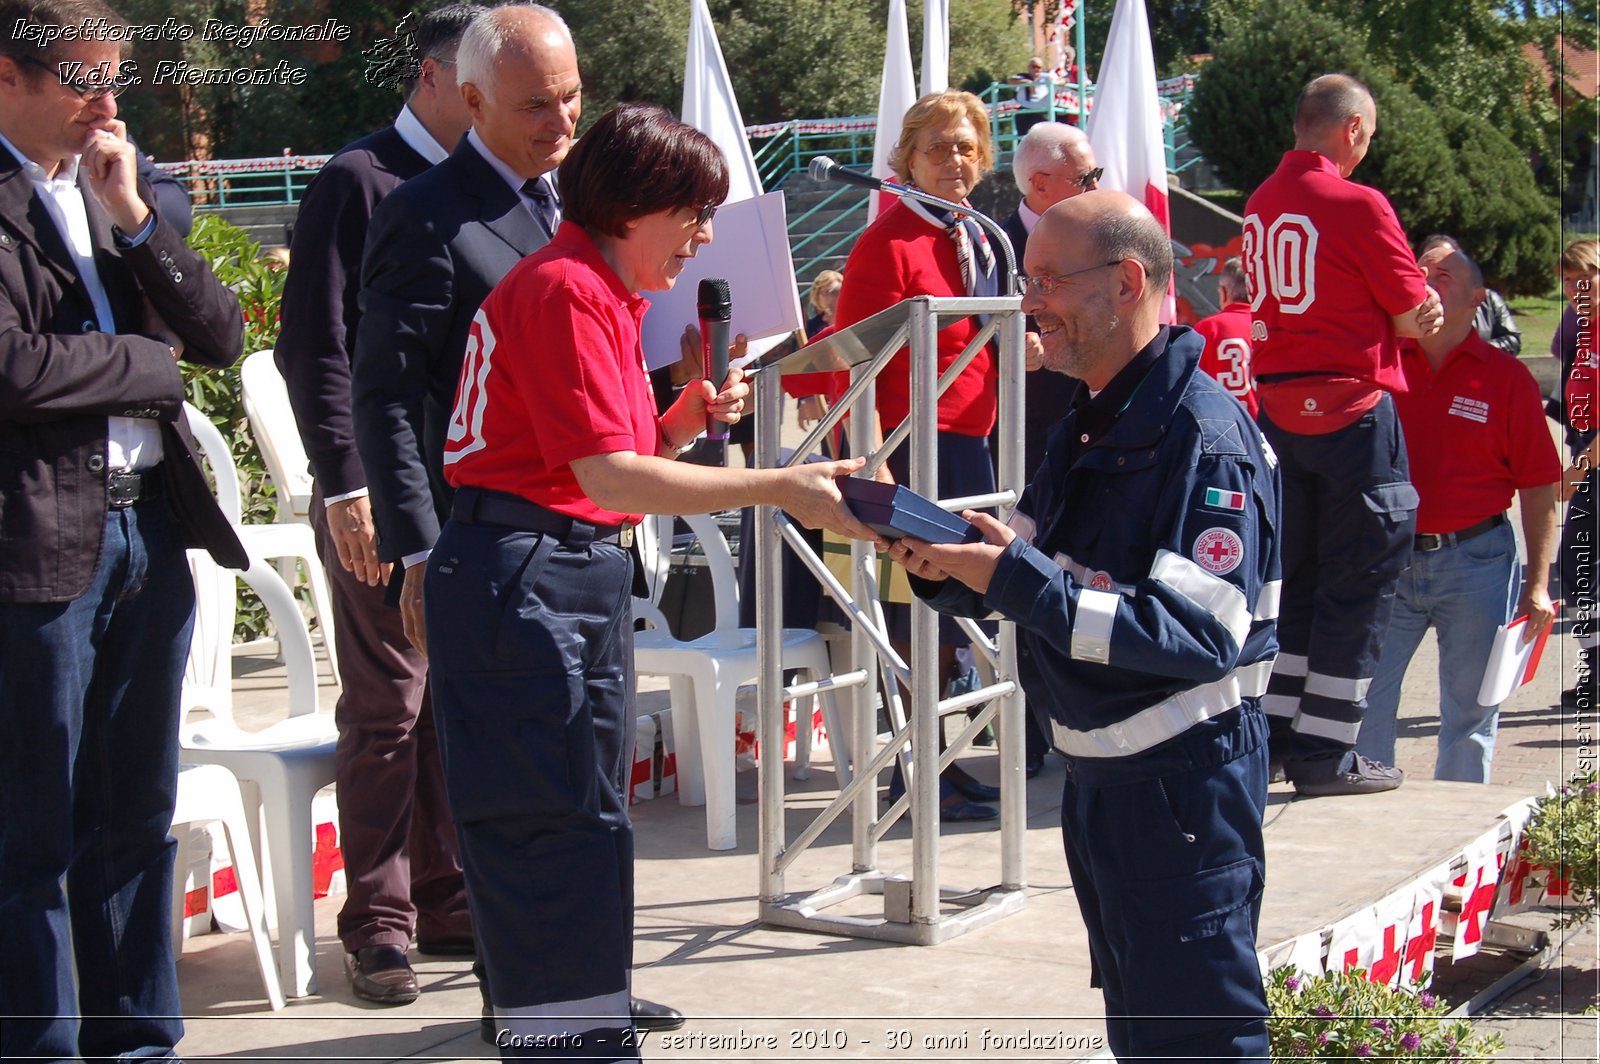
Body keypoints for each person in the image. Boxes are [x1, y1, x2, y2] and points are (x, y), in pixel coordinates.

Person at [423, 102, 877, 1060]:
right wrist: (780, 487)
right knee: (545, 822)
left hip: (557, 569)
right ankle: (565, 1035)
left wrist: (678, 420)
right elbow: (605, 476)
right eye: (693, 213)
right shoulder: (566, 290)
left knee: (586, 816)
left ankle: (587, 1009)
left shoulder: (593, 289)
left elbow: (600, 457)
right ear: (635, 203)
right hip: (524, 576)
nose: (705, 236)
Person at [888, 190, 1278, 1063]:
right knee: (1148, 1033)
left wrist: (1012, 576)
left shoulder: (1203, 439)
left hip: (1181, 789)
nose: (1031, 303)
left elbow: (1196, 636)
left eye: (1049, 281)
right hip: (1107, 788)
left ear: (1128, 281)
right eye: (1028, 279)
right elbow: (1030, 572)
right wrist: (952, 571)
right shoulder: (1091, 421)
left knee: (1202, 1041)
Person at [352, 6, 682, 1036]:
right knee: (522, 799)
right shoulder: (425, 214)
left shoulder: (573, 206)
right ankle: (526, 1000)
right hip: (491, 539)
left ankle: (590, 981)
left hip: (584, 536)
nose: (560, 119)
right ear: (472, 97)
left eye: (573, 97)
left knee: (593, 791)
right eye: (537, 104)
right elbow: (388, 394)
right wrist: (415, 543)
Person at [0, 1, 247, 1059]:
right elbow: (12, 367)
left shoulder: (110, 192)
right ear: (7, 77)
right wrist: (145, 369)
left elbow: (221, 335)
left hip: (148, 531)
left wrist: (141, 222)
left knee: (136, 817)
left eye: (114, 81)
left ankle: (137, 1040)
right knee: (34, 832)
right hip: (40, 545)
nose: (107, 105)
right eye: (81, 83)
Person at [276, 3, 482, 1006]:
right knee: (390, 706)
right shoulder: (356, 181)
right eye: (485, 81)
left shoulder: (490, 190)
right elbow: (313, 347)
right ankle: (379, 923)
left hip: (473, 492)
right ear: (435, 76)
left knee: (456, 700)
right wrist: (346, 483)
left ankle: (445, 899)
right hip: (381, 494)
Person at [1245, 73, 1442, 796]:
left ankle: (1275, 739)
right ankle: (1327, 753)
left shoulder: (1262, 202)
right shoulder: (1359, 202)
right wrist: (1405, 312)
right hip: (1353, 407)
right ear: (1353, 130)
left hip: (1278, 408)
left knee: (1293, 578)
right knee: (1359, 581)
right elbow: (1413, 311)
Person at [834, 89, 1004, 819]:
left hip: (973, 442)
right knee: (918, 614)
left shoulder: (981, 237)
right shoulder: (888, 241)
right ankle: (918, 770)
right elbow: (850, 361)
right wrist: (874, 463)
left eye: (967, 147)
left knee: (957, 610)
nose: (955, 161)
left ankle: (946, 758)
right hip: (912, 447)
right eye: (938, 148)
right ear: (905, 160)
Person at [1357, 243, 1559, 783]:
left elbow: (1540, 487)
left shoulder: (1506, 379)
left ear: (1478, 299)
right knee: (1364, 703)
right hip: (1388, 561)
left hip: (1477, 561)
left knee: (1471, 713)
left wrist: (1538, 584)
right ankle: (1372, 825)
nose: (1425, 280)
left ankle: (1456, 841)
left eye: (1441, 275)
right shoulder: (1379, 366)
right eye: (1418, 272)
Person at [1001, 119, 1103, 775]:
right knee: (1020, 587)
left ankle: (1078, 718)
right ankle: (1028, 732)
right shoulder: (993, 247)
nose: (1099, 186)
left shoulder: (1095, 241)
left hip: (1090, 438)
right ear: (1042, 184)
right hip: (1014, 447)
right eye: (1087, 177)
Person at [1555, 239, 1600, 708]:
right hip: (1591, 458)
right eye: (1568, 279)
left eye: (1584, 275)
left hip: (1595, 463)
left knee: (1578, 567)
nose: (1575, 287)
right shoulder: (1588, 330)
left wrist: (1578, 470)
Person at [1418, 234, 1521, 355]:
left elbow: (1512, 340)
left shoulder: (1489, 299)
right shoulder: (1412, 308)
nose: (1431, 284)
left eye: (1443, 275)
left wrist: (1473, 350)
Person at [1192, 256, 1258, 417]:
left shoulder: (1208, 328)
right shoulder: (1269, 325)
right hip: (1267, 427)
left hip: (1221, 424)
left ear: (1223, 292)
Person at [1008, 56, 1057, 135]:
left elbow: (1062, 80)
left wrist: (1054, 82)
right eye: (1034, 66)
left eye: (1039, 67)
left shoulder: (1047, 77)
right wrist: (1028, 82)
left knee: (1043, 137)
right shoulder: (1023, 76)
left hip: (1042, 112)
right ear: (1029, 68)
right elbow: (1010, 80)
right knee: (1023, 137)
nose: (1036, 69)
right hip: (1025, 111)